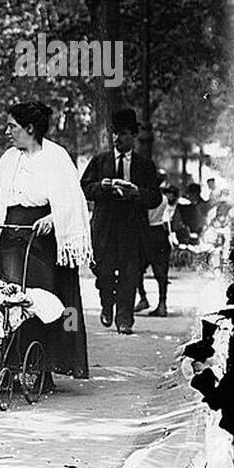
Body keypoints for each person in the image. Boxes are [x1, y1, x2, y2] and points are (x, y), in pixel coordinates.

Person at [0, 100, 91, 382]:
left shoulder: (56, 157)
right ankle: (10, 364)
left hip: (43, 240)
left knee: (43, 301)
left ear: (30, 128)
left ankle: (43, 367)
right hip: (10, 236)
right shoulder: (9, 159)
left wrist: (52, 218)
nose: (7, 132)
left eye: (12, 126)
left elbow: (72, 200)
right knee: (6, 299)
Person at [80, 108, 162, 335]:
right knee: (103, 273)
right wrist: (102, 187)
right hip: (104, 230)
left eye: (123, 133)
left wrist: (137, 192)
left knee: (130, 275)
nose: (117, 138)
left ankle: (124, 318)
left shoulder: (145, 165)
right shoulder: (100, 161)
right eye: (114, 133)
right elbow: (84, 188)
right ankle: (107, 302)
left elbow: (155, 197)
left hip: (132, 231)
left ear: (133, 135)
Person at [137, 177, 175, 317]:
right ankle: (162, 304)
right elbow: (167, 220)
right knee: (161, 272)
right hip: (160, 232)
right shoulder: (163, 198)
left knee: (136, 268)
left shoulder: (144, 198)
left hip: (146, 233)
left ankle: (143, 297)